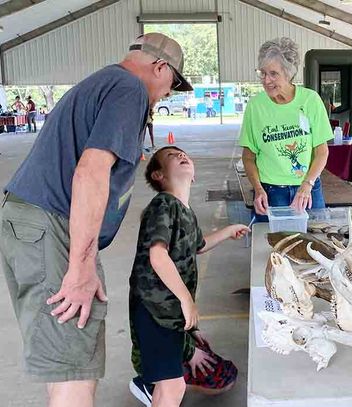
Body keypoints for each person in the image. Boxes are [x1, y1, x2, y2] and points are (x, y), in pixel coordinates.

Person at [0, 32, 193, 407]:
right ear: (160, 67)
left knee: (65, 361)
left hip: (37, 224)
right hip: (50, 226)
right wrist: (81, 267)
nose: (169, 93)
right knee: (75, 366)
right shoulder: (129, 89)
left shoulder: (106, 82)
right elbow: (90, 172)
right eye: (173, 83)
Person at [128, 146, 248, 406]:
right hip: (155, 307)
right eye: (172, 156)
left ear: (192, 175)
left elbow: (199, 245)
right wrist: (186, 300)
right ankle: (152, 381)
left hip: (168, 312)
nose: (181, 156)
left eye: (184, 155)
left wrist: (228, 231)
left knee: (191, 381)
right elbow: (157, 256)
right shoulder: (163, 205)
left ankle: (152, 379)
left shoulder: (185, 212)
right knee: (173, 387)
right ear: (159, 175)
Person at [239, 37, 333, 220]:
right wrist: (258, 189)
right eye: (262, 73)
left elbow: (322, 152)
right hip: (270, 193)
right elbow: (248, 156)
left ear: (288, 73)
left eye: (274, 74)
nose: (266, 80)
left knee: (316, 241)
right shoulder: (255, 106)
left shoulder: (310, 100)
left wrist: (307, 184)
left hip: (307, 190)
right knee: (272, 246)